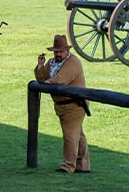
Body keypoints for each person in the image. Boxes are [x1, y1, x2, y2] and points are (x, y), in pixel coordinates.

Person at [34, 34, 91, 174]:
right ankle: (83, 165)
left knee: (70, 135)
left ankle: (68, 166)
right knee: (77, 135)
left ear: (67, 51)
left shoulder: (73, 62)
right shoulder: (53, 62)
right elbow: (41, 77)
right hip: (63, 105)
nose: (57, 54)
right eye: (56, 51)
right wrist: (40, 65)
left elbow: (60, 80)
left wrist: (48, 83)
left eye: (60, 51)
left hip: (74, 105)